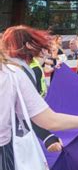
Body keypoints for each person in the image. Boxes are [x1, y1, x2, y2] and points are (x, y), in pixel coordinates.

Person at [1, 25, 66, 154]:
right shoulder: (18, 71)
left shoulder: (16, 67)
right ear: (28, 45)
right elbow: (31, 113)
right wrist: (47, 136)